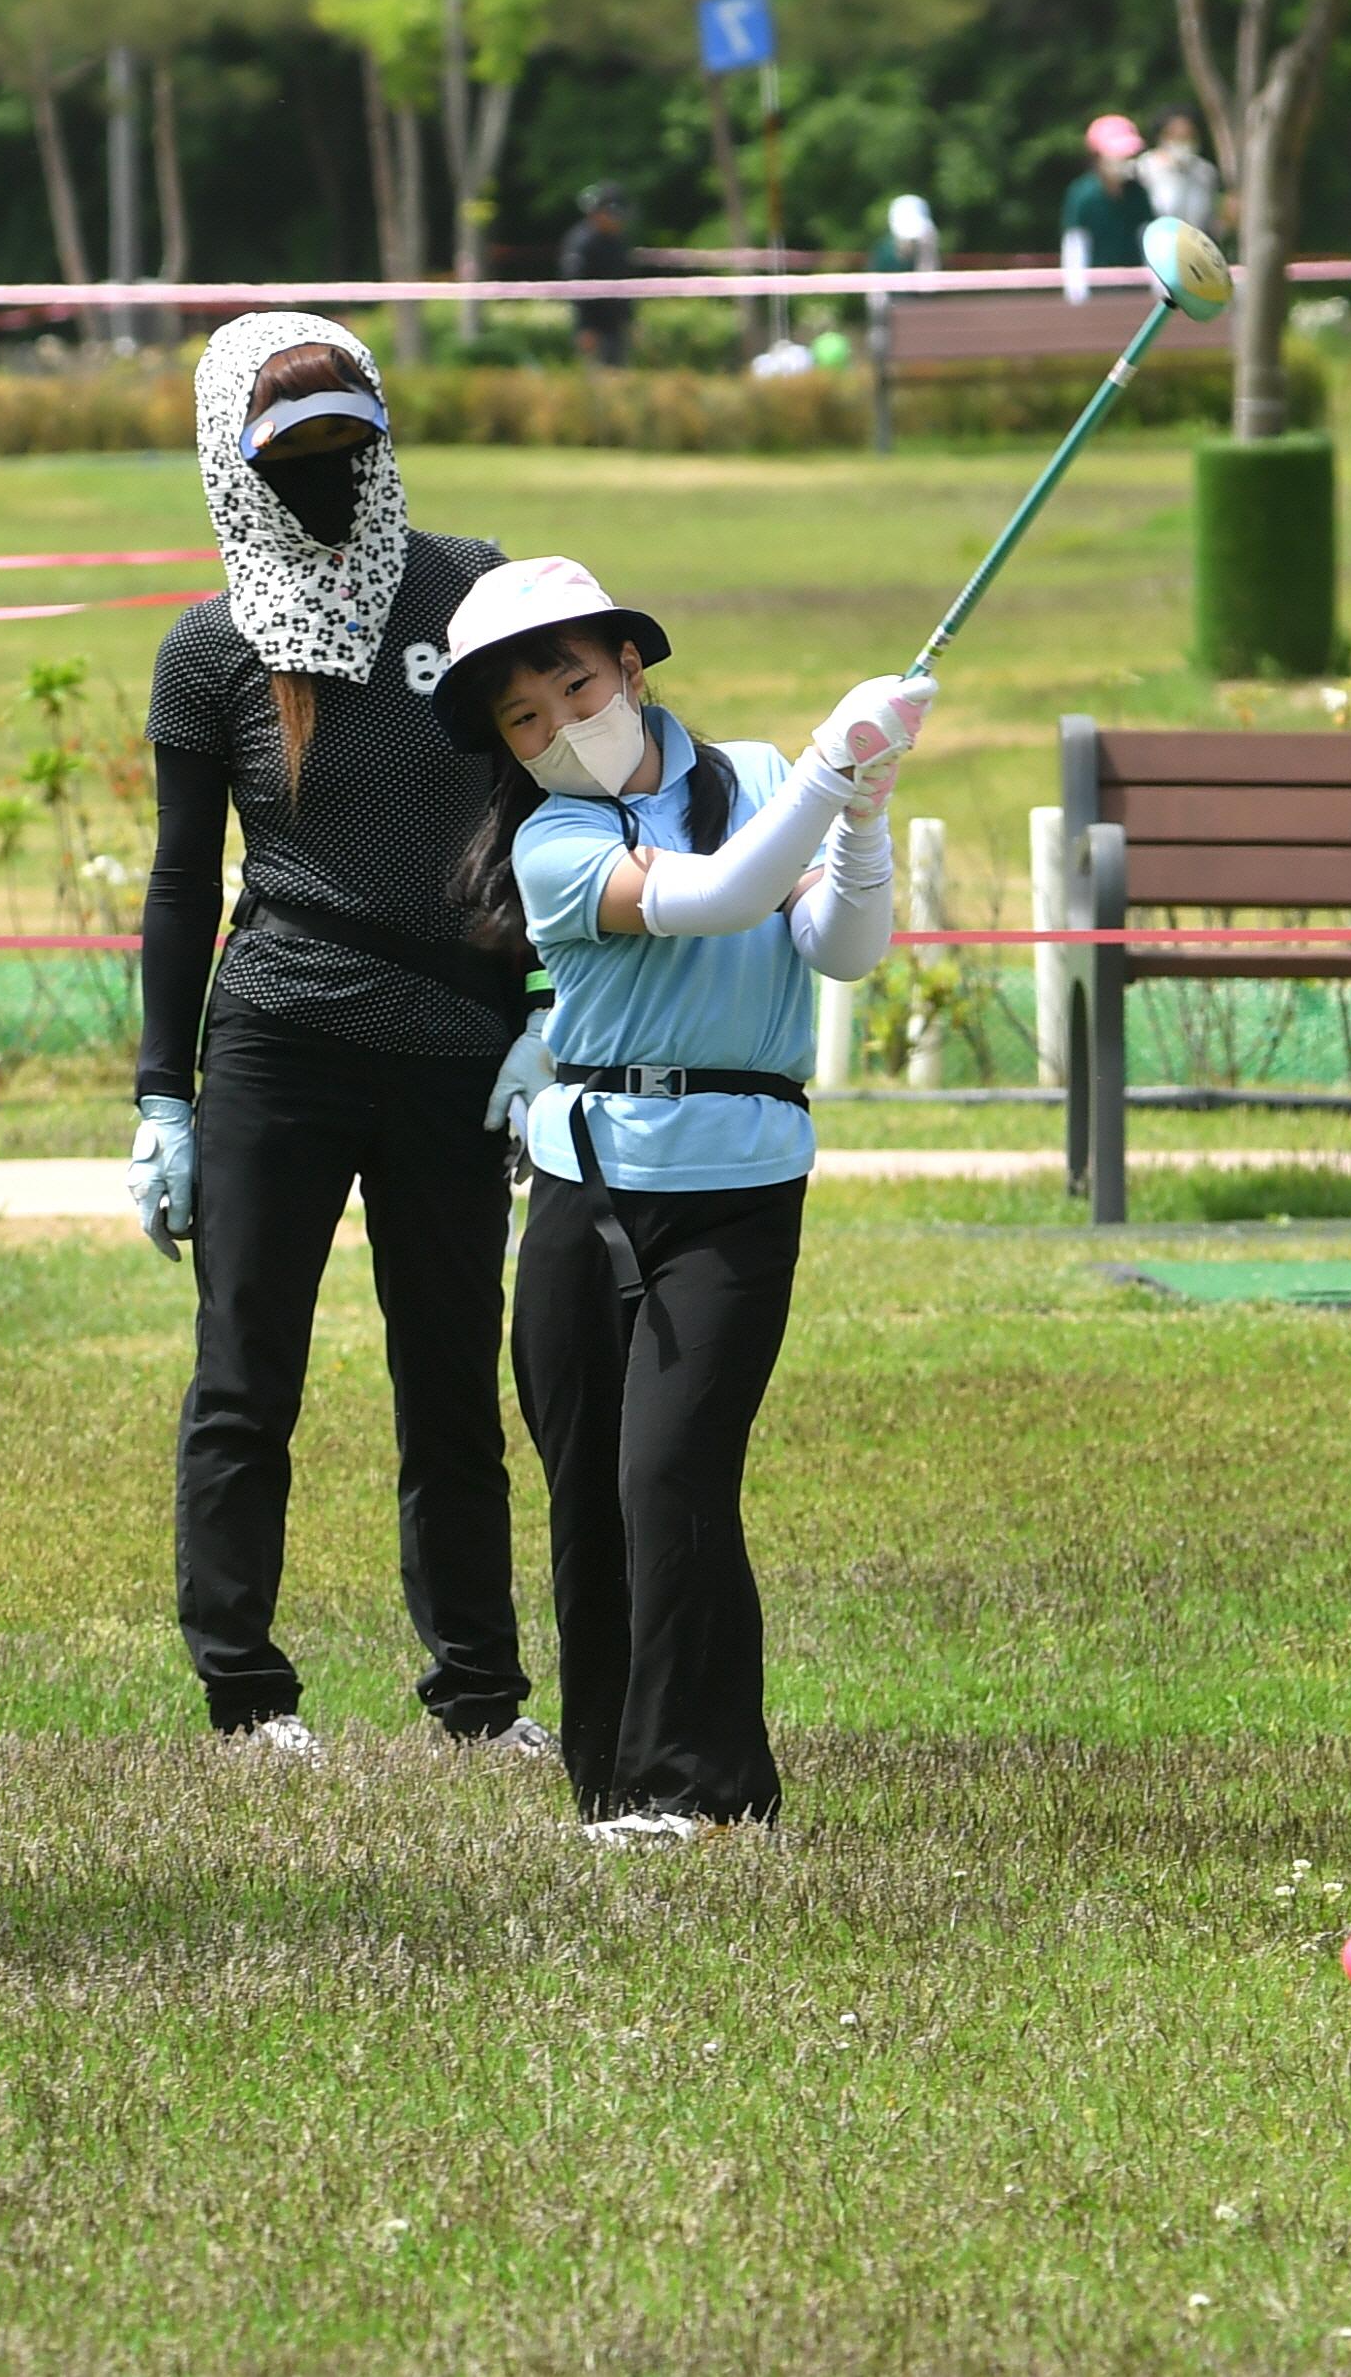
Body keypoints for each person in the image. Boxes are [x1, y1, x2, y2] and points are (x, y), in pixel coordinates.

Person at [434, 557, 924, 1843]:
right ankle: (610, 1781)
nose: (557, 726)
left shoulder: (758, 779)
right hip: (583, 1191)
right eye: (523, 719)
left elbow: (844, 946)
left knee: (674, 1478)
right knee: (588, 1486)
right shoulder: (552, 838)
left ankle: (702, 1788)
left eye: (574, 685)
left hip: (737, 1188)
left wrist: (859, 812)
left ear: (632, 669)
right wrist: (831, 773)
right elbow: (713, 899)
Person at [128, 311, 560, 1762]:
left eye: (350, 447)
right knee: (248, 1372)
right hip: (280, 1043)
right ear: (233, 466)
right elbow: (186, 882)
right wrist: (161, 1097)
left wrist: (548, 1016)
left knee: (451, 1380)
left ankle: (480, 1696)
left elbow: (560, 803)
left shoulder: (477, 592)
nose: (328, 479)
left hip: (458, 1044)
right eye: (292, 458)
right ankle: (245, 1690)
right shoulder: (210, 651)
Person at [1062, 115, 1156, 306]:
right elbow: (1075, 243)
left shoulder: (1138, 193)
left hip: (1136, 288)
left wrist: (1157, 285)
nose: (1125, 160)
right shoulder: (1083, 194)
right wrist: (1077, 292)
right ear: (1097, 156)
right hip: (1096, 289)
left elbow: (1148, 238)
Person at [560, 184, 637, 367]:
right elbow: (576, 288)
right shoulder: (581, 243)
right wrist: (584, 327)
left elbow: (625, 284)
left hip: (615, 325)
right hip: (593, 327)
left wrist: (630, 319)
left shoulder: (617, 242)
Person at [1141, 107, 1223, 231]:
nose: (1182, 140)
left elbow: (1210, 218)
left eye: (1188, 135)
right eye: (1175, 135)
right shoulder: (1145, 167)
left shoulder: (1206, 171)